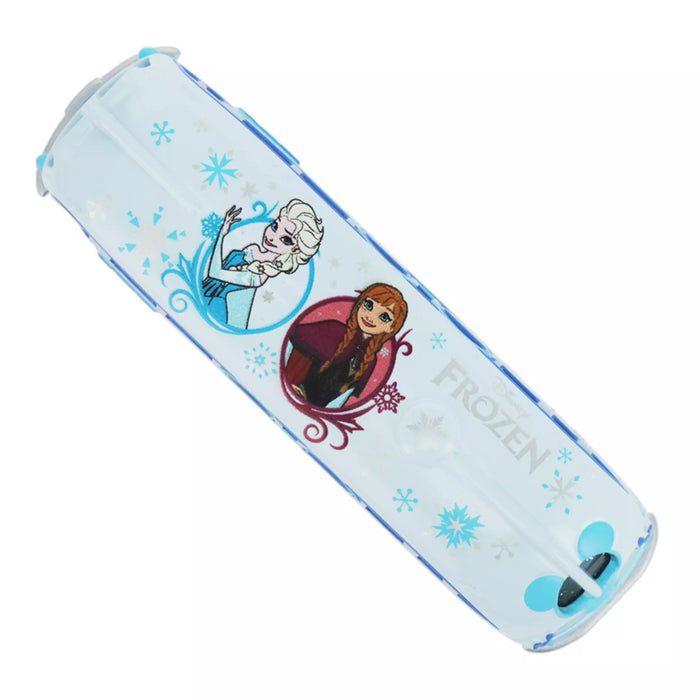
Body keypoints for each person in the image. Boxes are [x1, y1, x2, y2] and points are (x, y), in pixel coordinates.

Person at [202, 199, 324, 327]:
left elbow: (215, 272)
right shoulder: (252, 250)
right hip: (205, 301)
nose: (272, 237)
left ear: (295, 249)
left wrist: (222, 234)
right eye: (275, 226)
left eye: (285, 239)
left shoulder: (259, 275)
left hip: (219, 316)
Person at [286, 283, 408, 408]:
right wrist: (292, 384)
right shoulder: (334, 329)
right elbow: (297, 347)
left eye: (384, 317)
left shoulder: (370, 360)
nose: (371, 317)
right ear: (359, 304)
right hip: (291, 395)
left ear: (391, 328)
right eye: (369, 305)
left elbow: (347, 398)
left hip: (317, 411)